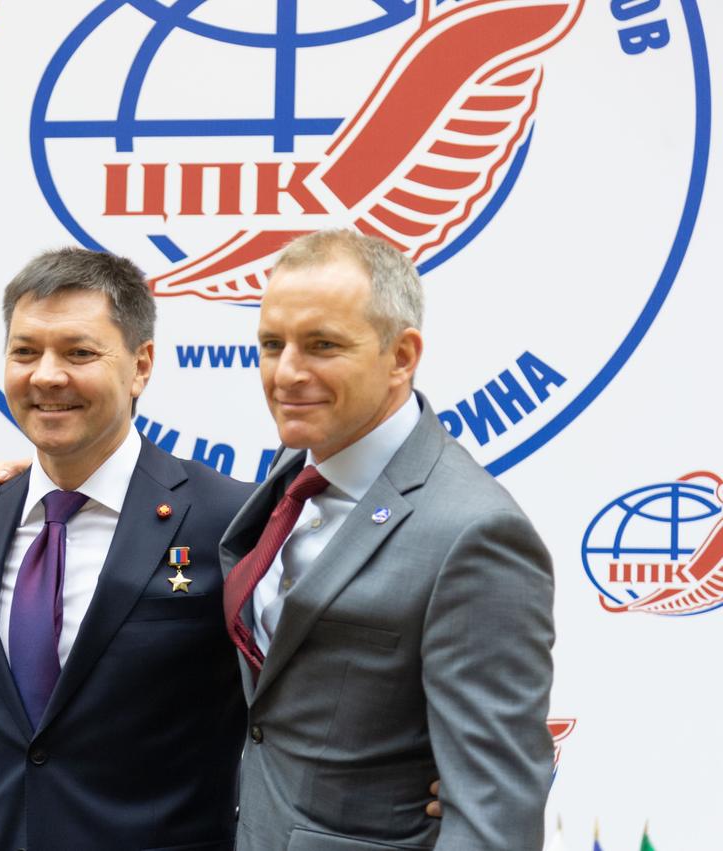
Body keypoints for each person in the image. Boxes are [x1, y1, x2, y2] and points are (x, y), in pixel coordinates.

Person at [223, 229, 554, 850]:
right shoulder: (298, 461)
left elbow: (494, 814)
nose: (287, 373)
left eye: (322, 345)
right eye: (272, 344)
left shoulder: (477, 533)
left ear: (401, 356)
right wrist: (45, 485)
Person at [0, 248, 254, 850]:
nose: (46, 375)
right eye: (25, 351)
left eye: (79, 352)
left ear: (140, 366)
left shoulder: (227, 522)